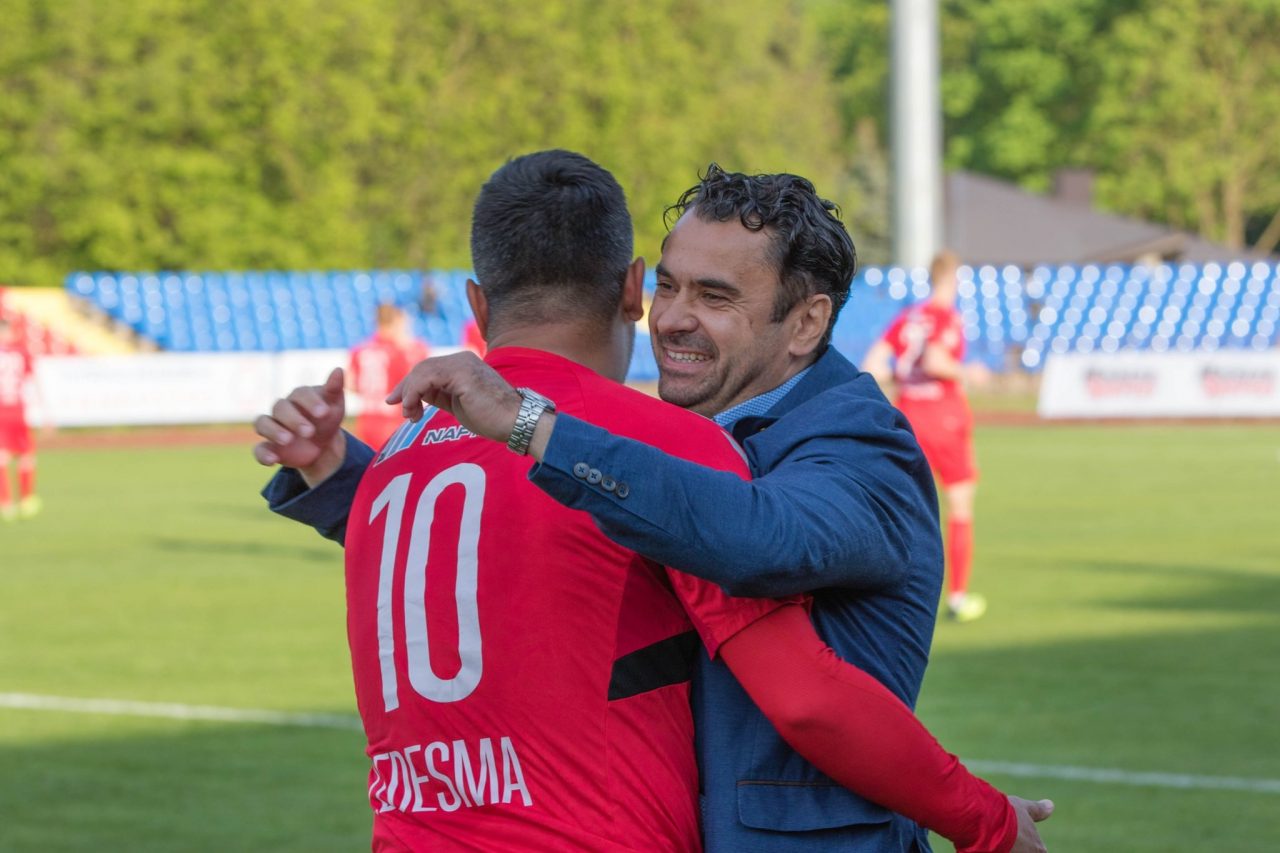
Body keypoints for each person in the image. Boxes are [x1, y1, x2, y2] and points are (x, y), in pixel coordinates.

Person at [258, 156, 1052, 852]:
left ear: (807, 321)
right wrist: (339, 474)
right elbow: (511, 539)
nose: (672, 318)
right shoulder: (643, 442)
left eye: (714, 295)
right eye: (669, 286)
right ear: (634, 289)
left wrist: (522, 428)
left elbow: (751, 538)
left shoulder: (857, 442)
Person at [863, 250, 985, 622]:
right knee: (959, 504)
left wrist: (902, 377)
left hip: (909, 417)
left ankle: (887, 595)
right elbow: (935, 360)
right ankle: (957, 597)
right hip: (944, 417)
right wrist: (966, 373)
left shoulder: (908, 317)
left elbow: (871, 365)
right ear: (953, 279)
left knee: (905, 509)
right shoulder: (945, 316)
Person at [348, 303, 431, 449]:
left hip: (367, 420)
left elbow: (350, 384)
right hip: (395, 420)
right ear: (397, 322)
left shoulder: (360, 350)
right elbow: (417, 382)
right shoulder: (403, 350)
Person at [0, 316, 42, 521]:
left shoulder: (20, 352)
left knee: (5, 457)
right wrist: (45, 409)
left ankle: (6, 503)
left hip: (8, 412)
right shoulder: (20, 352)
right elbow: (33, 380)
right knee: (25, 456)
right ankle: (25, 500)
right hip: (16, 410)